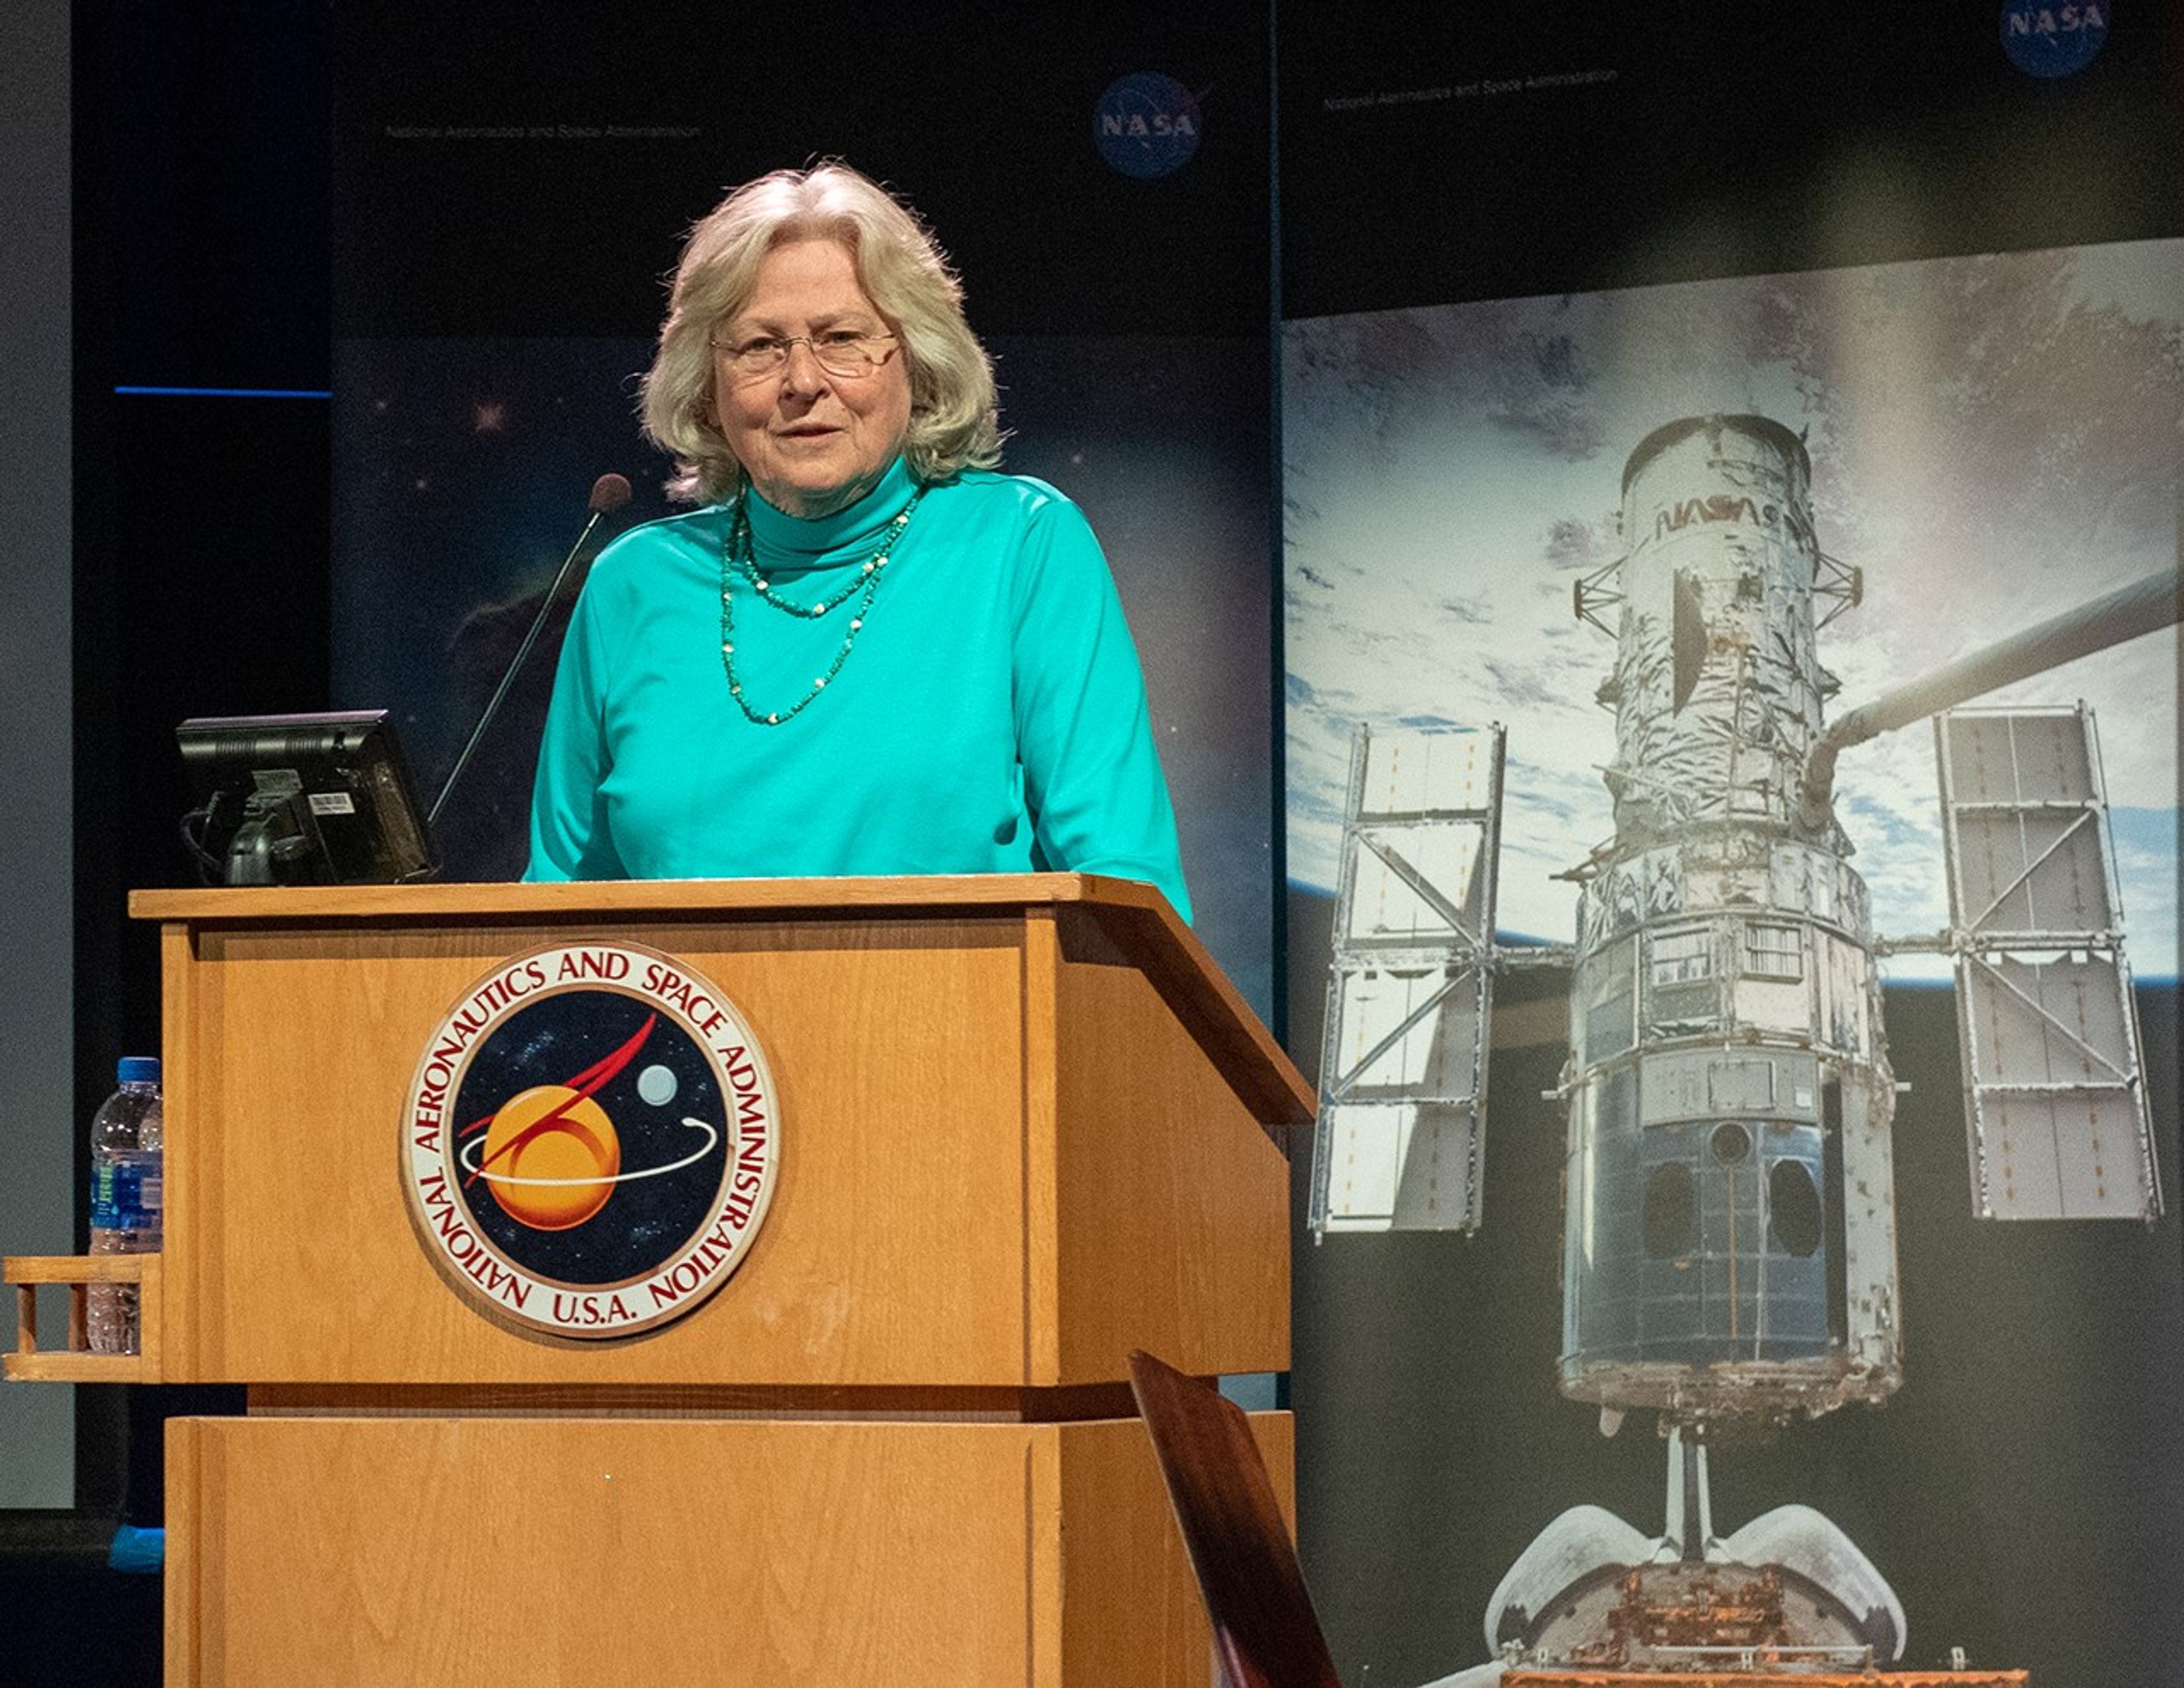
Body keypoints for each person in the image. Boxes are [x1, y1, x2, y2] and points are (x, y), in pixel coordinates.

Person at [523, 162, 1191, 921]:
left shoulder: (1023, 545)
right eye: (760, 347)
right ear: (706, 383)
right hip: (686, 1040)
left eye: (842, 338)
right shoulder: (631, 584)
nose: (802, 380)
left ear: (919, 360)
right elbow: (560, 909)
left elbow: (1128, 889)